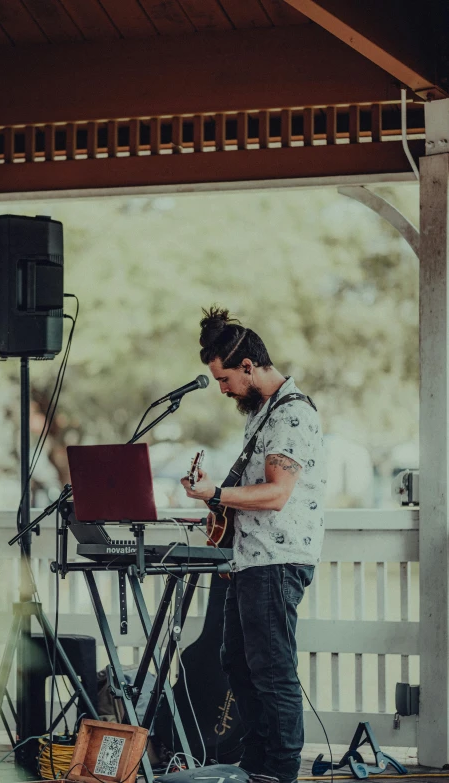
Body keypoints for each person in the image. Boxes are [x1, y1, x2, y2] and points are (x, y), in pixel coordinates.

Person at [180, 307, 326, 783]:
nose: (222, 390)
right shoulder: (263, 414)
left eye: (224, 379)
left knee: (272, 671)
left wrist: (218, 494)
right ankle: (256, 765)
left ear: (247, 366)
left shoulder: (292, 413)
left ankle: (280, 772)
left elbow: (276, 494)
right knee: (238, 665)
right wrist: (216, 499)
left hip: (276, 561)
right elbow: (250, 493)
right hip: (249, 560)